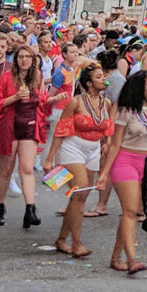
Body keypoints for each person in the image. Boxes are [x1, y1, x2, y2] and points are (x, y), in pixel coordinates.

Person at [44, 61, 113, 260]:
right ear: (89, 83)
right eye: (99, 77)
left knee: (80, 197)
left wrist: (106, 143)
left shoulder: (105, 103)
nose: (104, 80)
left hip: (93, 150)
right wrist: (50, 158)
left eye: (103, 76)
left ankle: (61, 239)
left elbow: (108, 127)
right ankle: (76, 243)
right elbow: (61, 130)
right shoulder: (75, 102)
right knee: (80, 189)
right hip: (72, 146)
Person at [100, 69, 147, 275]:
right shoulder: (126, 111)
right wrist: (104, 174)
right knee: (130, 211)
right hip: (125, 161)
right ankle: (131, 259)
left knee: (135, 211)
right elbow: (115, 144)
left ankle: (116, 256)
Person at [0, 43, 52, 228]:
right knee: (6, 170)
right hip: (9, 126)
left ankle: (30, 208)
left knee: (27, 168)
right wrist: (15, 97)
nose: (24, 60)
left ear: (33, 60)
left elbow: (41, 101)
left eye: (28, 57)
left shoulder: (37, 77)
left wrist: (51, 100)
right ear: (16, 60)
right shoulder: (7, 77)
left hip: (29, 126)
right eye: (21, 57)